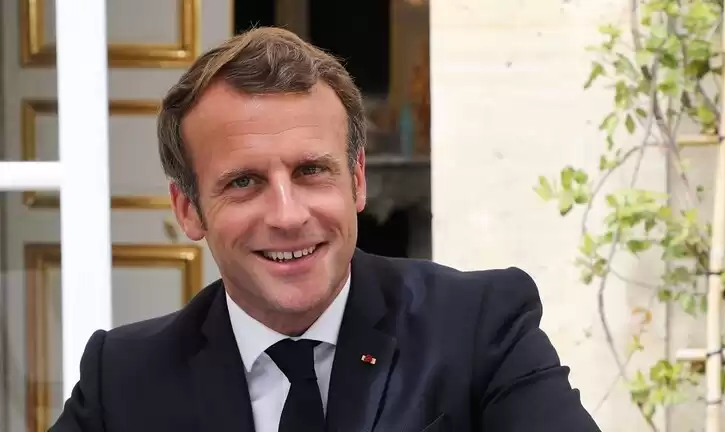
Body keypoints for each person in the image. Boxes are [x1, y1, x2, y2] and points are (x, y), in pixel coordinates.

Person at [49, 27, 601, 432]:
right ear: (188, 208)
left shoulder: (479, 327)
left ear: (356, 180)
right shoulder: (123, 378)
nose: (288, 215)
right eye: (243, 182)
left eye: (311, 171)